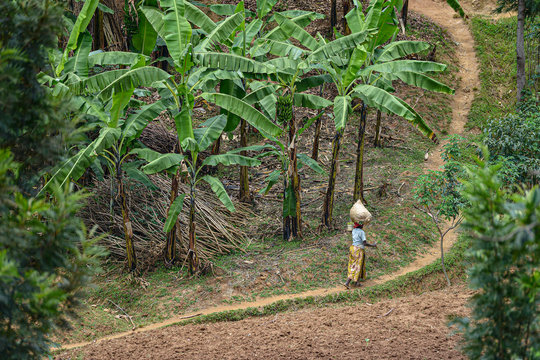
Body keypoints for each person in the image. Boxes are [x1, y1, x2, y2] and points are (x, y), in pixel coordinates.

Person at [344, 222, 377, 289]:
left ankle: (357, 282)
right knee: (356, 266)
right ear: (361, 225)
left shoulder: (353, 230)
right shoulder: (361, 232)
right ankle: (347, 282)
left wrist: (350, 222)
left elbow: (349, 229)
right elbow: (364, 243)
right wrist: (373, 245)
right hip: (358, 250)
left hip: (353, 248)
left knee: (357, 265)